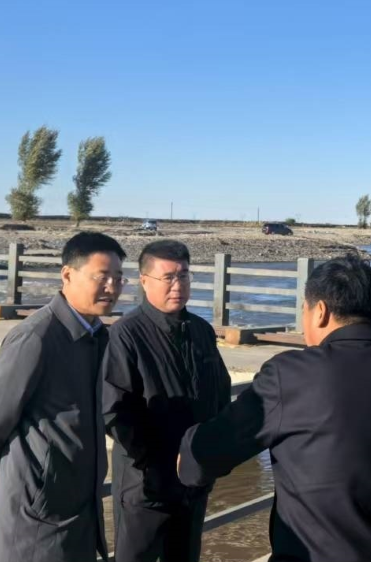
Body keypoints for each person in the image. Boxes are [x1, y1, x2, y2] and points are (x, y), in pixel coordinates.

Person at [178, 257, 371, 562]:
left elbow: (204, 455)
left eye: (304, 309)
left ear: (320, 311)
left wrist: (188, 453)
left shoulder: (291, 375)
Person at [0, 231, 127, 562]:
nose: (112, 287)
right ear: (67, 275)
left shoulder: (98, 336)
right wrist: (31, 478)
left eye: (118, 278)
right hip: (36, 520)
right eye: (102, 277)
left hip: (81, 511)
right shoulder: (36, 338)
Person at [101, 239, 231, 562]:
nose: (178, 285)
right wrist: (153, 465)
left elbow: (220, 393)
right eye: (168, 277)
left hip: (194, 480)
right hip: (146, 484)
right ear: (144, 281)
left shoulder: (201, 331)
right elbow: (114, 410)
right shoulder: (126, 334)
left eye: (184, 276)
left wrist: (212, 452)